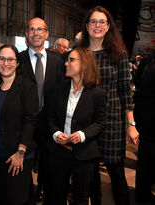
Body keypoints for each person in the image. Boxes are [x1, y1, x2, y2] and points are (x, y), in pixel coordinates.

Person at [78, 6, 139, 205]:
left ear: (108, 26)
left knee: (116, 172)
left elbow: (124, 90)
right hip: (86, 121)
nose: (97, 25)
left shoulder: (118, 53)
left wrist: (131, 124)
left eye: (102, 22)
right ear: (87, 26)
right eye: (93, 21)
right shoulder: (80, 53)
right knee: (91, 173)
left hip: (112, 121)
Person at [44, 47, 106, 205]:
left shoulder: (97, 94)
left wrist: (82, 135)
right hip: (60, 152)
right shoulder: (58, 90)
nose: (66, 63)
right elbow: (50, 117)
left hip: (84, 154)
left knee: (81, 197)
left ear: (84, 64)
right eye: (67, 60)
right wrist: (56, 134)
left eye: (71, 60)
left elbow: (100, 123)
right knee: (56, 194)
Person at [0, 44, 38, 205]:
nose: (6, 63)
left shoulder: (27, 87)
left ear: (17, 63)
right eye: (2, 59)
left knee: (16, 199)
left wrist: (21, 152)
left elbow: (31, 120)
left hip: (17, 156)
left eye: (10, 59)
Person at [20, 17, 66, 204]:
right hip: (24, 123)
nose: (36, 33)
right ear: (26, 34)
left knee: (49, 167)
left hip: (50, 124)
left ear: (47, 34)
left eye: (40, 29)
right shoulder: (18, 60)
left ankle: (43, 191)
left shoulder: (58, 61)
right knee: (23, 165)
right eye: (32, 29)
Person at [133, 47, 155, 204]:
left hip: (146, 123)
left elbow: (139, 92)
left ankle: (142, 195)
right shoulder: (149, 66)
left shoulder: (148, 64)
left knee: (145, 165)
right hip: (150, 125)